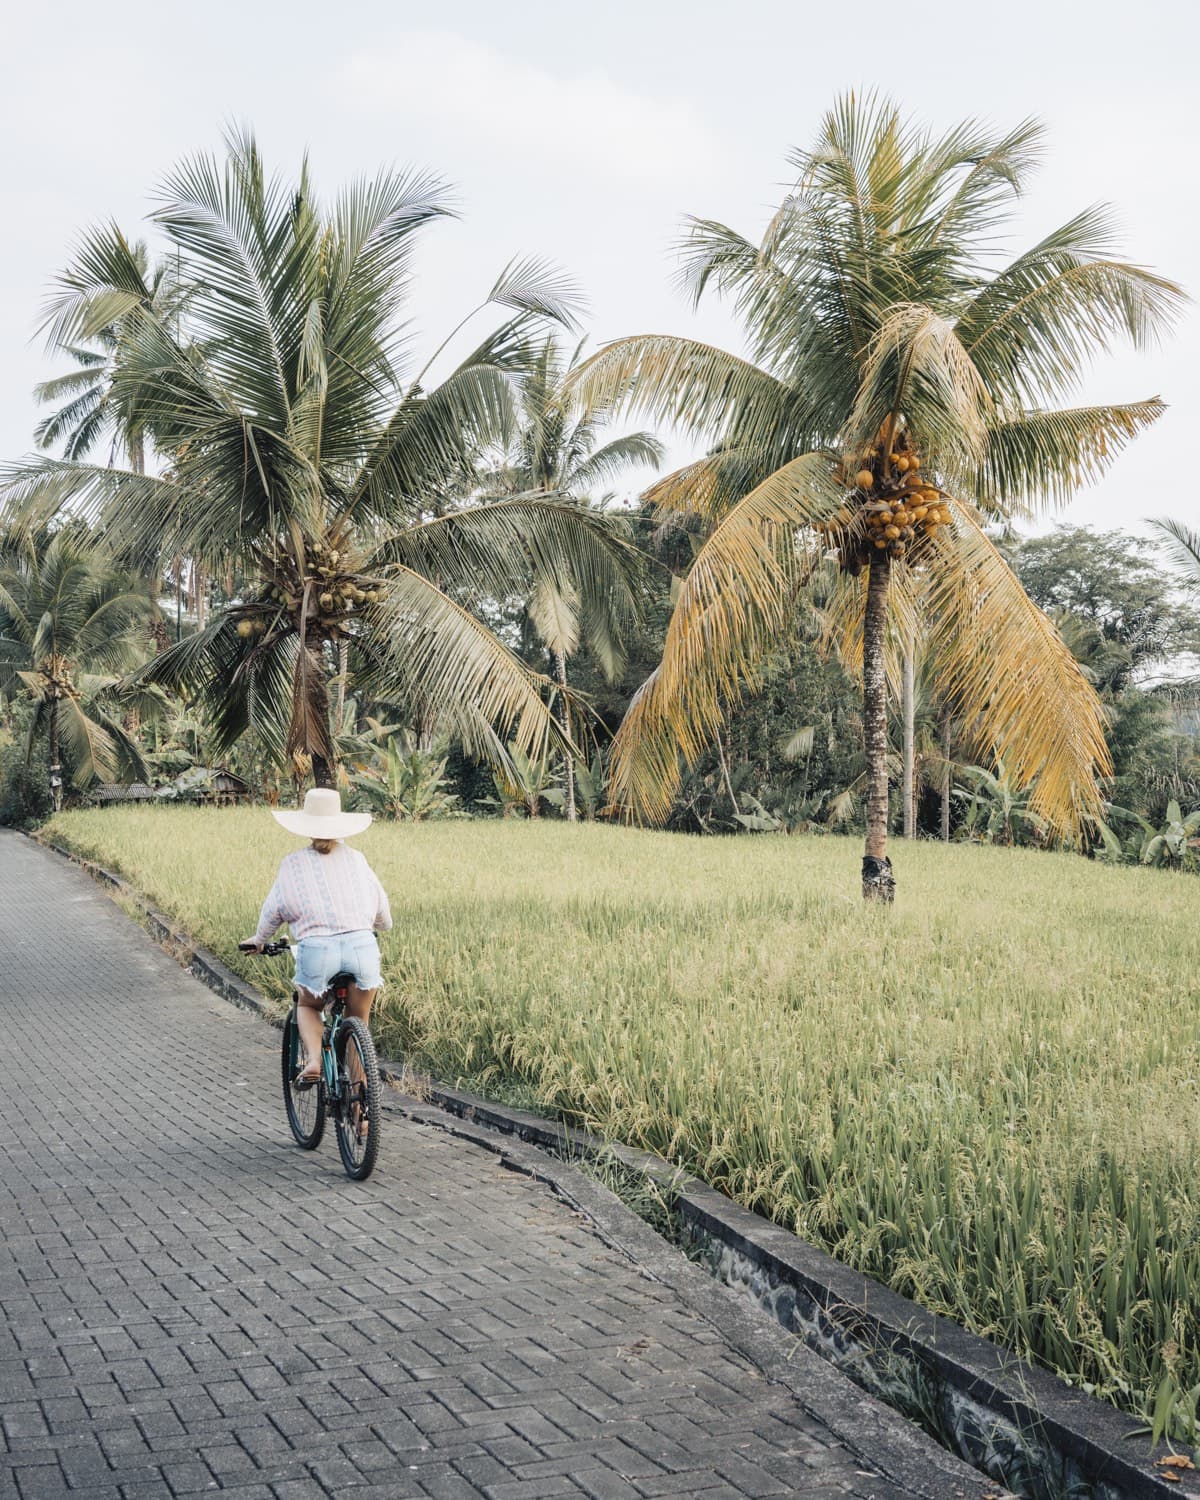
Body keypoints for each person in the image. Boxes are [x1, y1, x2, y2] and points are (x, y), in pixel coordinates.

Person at [243, 787, 392, 1085]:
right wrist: (376, 924)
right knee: (358, 1022)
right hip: (362, 949)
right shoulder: (356, 859)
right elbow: (382, 913)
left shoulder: (293, 864)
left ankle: (313, 1061)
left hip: (317, 952)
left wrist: (259, 940)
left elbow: (276, 909)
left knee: (308, 1006)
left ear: (306, 826)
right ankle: (362, 1112)